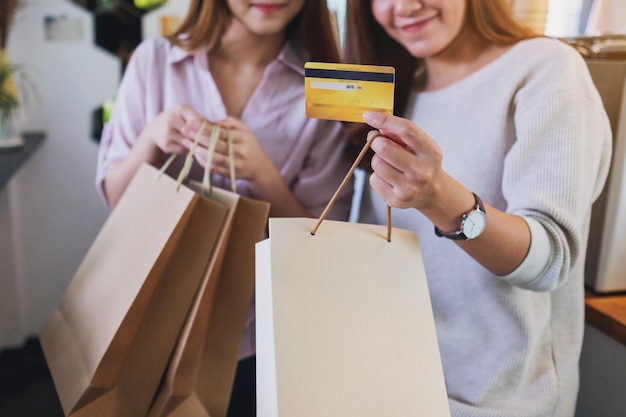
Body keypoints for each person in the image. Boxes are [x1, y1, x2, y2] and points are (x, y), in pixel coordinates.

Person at [343, 1, 612, 416]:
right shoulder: (400, 89)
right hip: (392, 384)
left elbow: (551, 260)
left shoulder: (548, 69)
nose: (406, 7)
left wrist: (439, 198)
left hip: (499, 401)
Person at [95, 0, 353, 415]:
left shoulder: (328, 85)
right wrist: (152, 139)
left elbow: (323, 245)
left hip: (266, 335)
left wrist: (263, 175)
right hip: (150, 320)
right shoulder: (155, 61)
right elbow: (116, 201)